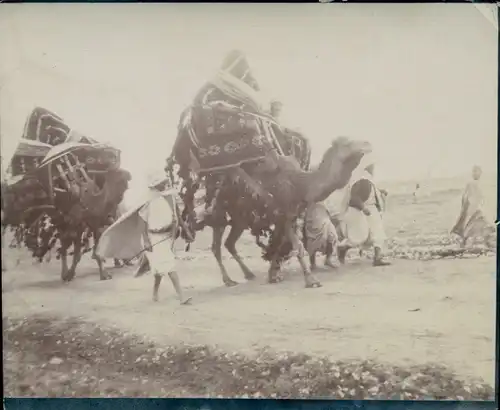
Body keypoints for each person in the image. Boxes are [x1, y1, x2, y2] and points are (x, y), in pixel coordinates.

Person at [97, 170, 192, 305]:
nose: (163, 185)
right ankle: (181, 297)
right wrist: (146, 240)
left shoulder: (170, 197)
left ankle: (154, 294)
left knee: (160, 269)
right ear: (154, 185)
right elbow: (142, 222)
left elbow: (177, 215)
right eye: (160, 183)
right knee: (169, 266)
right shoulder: (147, 201)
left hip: (167, 236)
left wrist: (185, 230)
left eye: (163, 183)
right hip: (154, 237)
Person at [337, 154, 391, 267]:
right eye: (372, 166)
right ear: (368, 167)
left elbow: (367, 193)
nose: (374, 168)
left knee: (377, 233)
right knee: (360, 236)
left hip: (369, 209)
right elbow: (354, 198)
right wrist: (364, 208)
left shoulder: (364, 178)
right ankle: (342, 248)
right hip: (364, 209)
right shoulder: (363, 179)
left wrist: (380, 192)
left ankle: (377, 257)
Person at [451, 165, 495, 248]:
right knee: (471, 227)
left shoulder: (480, 183)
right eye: (474, 172)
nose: (476, 174)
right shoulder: (471, 183)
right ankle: (465, 243)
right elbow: (465, 197)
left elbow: (482, 197)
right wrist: (465, 208)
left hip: (478, 209)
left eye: (478, 172)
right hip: (473, 210)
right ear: (473, 174)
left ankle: (487, 242)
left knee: (484, 226)